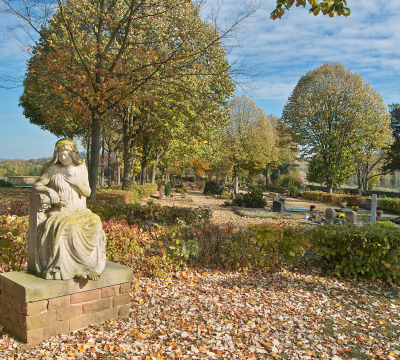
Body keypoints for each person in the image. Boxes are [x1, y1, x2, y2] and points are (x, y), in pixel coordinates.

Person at [33, 138, 106, 280]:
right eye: (59, 155)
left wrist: (77, 182)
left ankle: (90, 265)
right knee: (70, 227)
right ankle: (80, 268)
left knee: (96, 223)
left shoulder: (80, 169)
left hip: (80, 211)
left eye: (65, 154)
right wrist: (50, 192)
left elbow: (87, 193)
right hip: (61, 213)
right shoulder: (51, 169)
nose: (62, 157)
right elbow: (36, 186)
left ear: (72, 154)